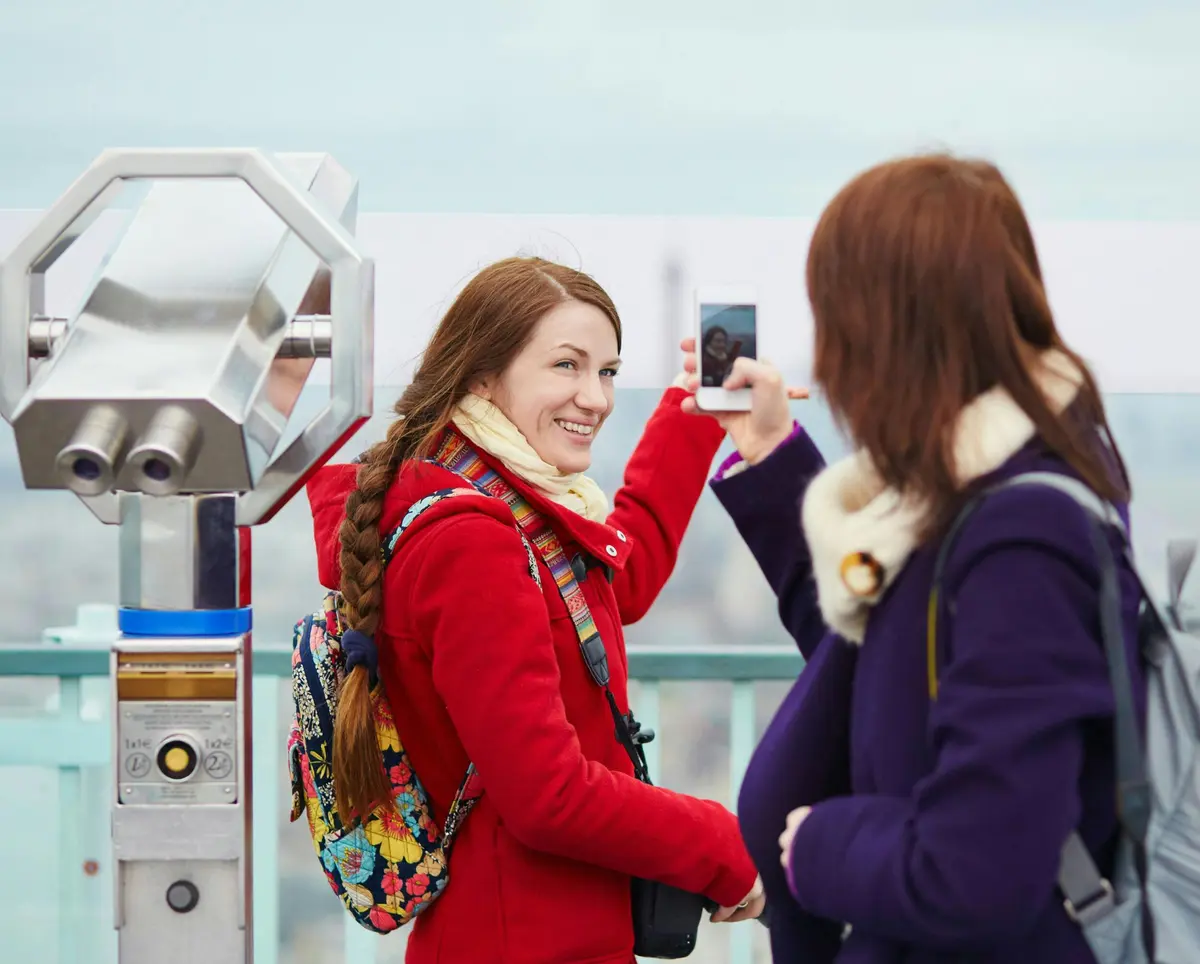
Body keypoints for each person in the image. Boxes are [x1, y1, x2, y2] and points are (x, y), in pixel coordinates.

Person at [679, 154, 1144, 963]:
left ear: (889, 329)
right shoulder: (963, 505)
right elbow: (862, 656)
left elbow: (982, 867)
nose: (825, 359)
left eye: (835, 318)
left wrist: (820, 844)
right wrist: (767, 452)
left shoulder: (1021, 540)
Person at [305, 256, 764, 964]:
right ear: (483, 376)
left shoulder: (494, 500)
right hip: (526, 939)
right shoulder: (474, 541)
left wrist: (692, 413)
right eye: (566, 366)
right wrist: (726, 847)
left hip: (525, 931)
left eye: (607, 371)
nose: (597, 397)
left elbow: (615, 582)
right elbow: (547, 795)